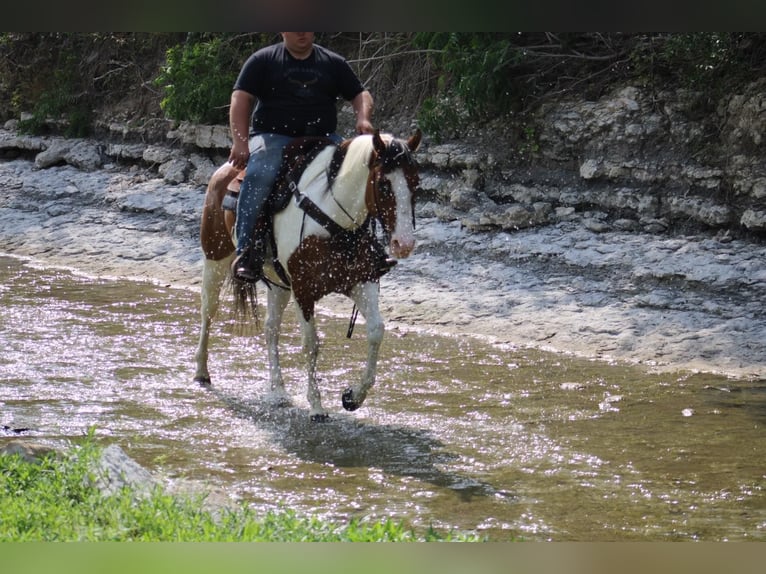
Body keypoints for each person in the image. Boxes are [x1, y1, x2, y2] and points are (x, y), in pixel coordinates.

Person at [228, 32, 376, 283]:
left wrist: (363, 117)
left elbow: (361, 94)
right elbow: (240, 99)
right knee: (258, 176)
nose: (301, 32)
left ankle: (369, 248)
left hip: (323, 137)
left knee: (362, 172)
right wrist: (240, 142)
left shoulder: (332, 62)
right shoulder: (262, 60)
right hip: (274, 137)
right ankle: (247, 252)